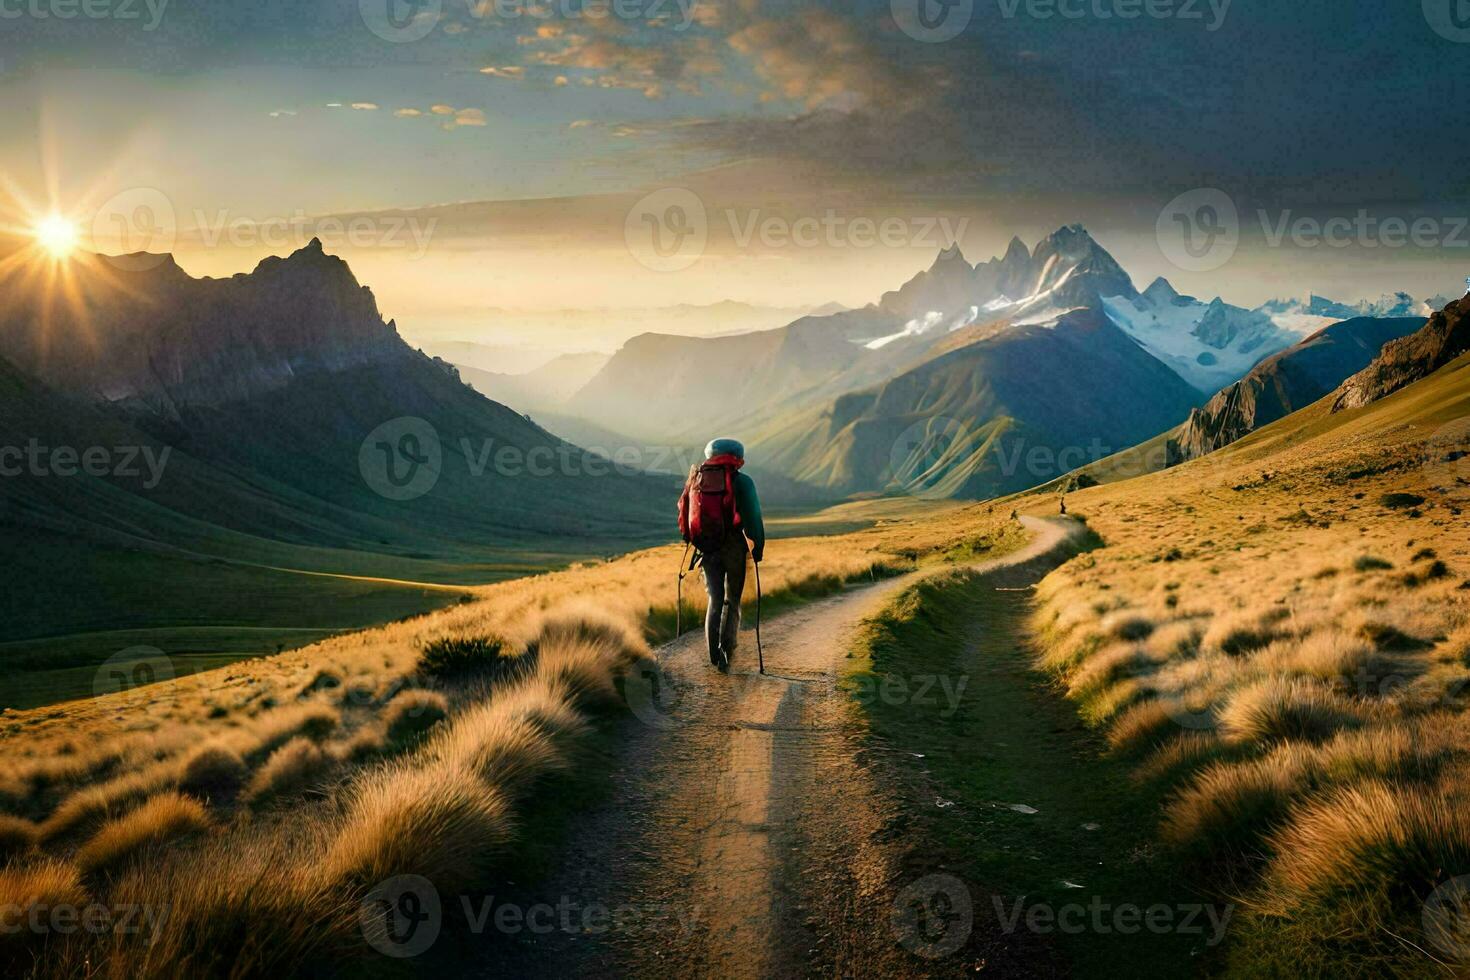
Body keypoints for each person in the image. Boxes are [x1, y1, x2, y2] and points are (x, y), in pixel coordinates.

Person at [677, 438, 765, 673]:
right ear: (738, 457)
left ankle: (713, 654)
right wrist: (758, 547)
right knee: (732, 600)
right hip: (734, 547)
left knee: (714, 598)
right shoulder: (742, 482)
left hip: (706, 547)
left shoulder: (696, 479)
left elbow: (685, 512)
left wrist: (693, 540)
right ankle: (727, 651)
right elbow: (753, 518)